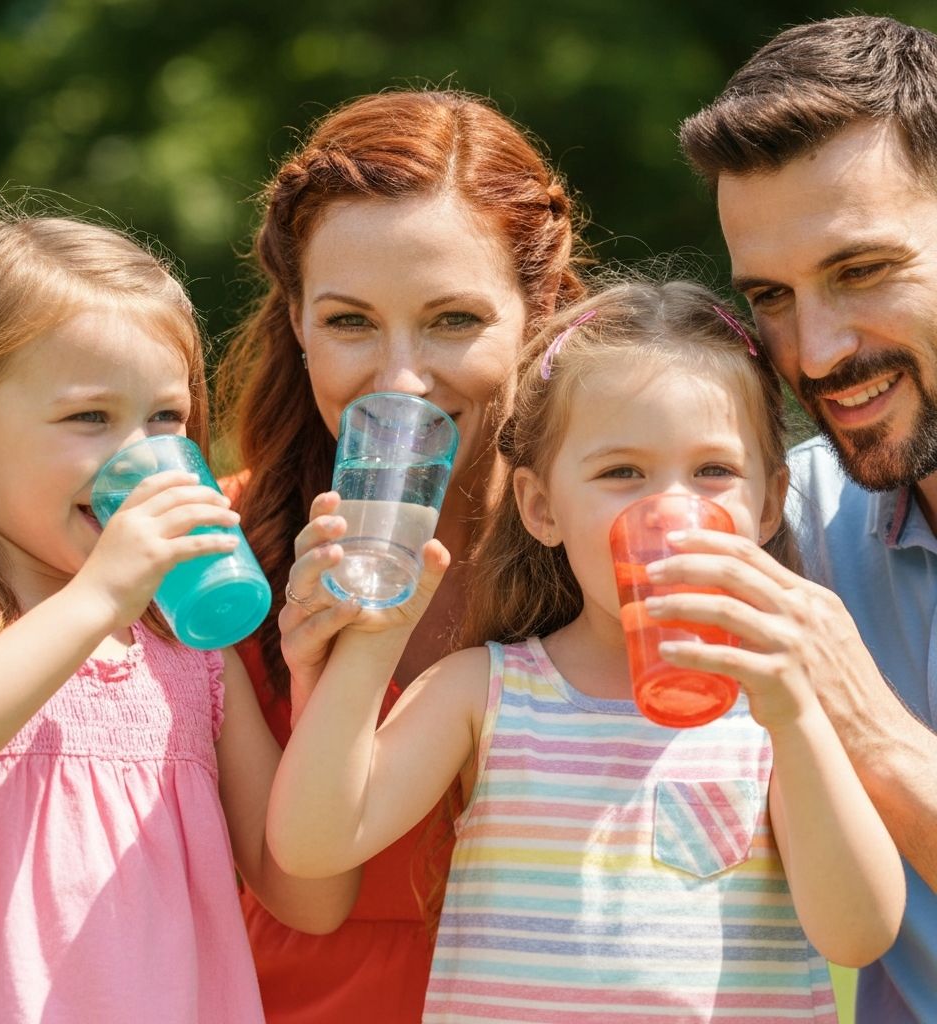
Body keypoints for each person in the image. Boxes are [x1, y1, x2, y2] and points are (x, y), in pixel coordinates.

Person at [266, 279, 905, 1022]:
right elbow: (313, 846)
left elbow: (859, 933)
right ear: (542, 508)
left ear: (766, 505)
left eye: (713, 471)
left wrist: (796, 717)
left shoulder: (782, 712)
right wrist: (371, 648)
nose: (669, 507)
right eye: (621, 472)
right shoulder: (486, 691)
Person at [0, 211, 355, 1024]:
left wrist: (322, 677)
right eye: (88, 418)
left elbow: (308, 894)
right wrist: (95, 600)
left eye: (164, 419)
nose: (138, 457)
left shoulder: (187, 652)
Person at [216, 88, 587, 1022]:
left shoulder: (611, 561)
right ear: (296, 318)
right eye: (350, 323)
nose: (401, 379)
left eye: (453, 320)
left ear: (537, 307)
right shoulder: (211, 562)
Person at [678, 15, 937, 1022]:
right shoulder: (785, 526)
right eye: (771, 296)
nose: (818, 350)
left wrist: (861, 718)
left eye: (860, 271)